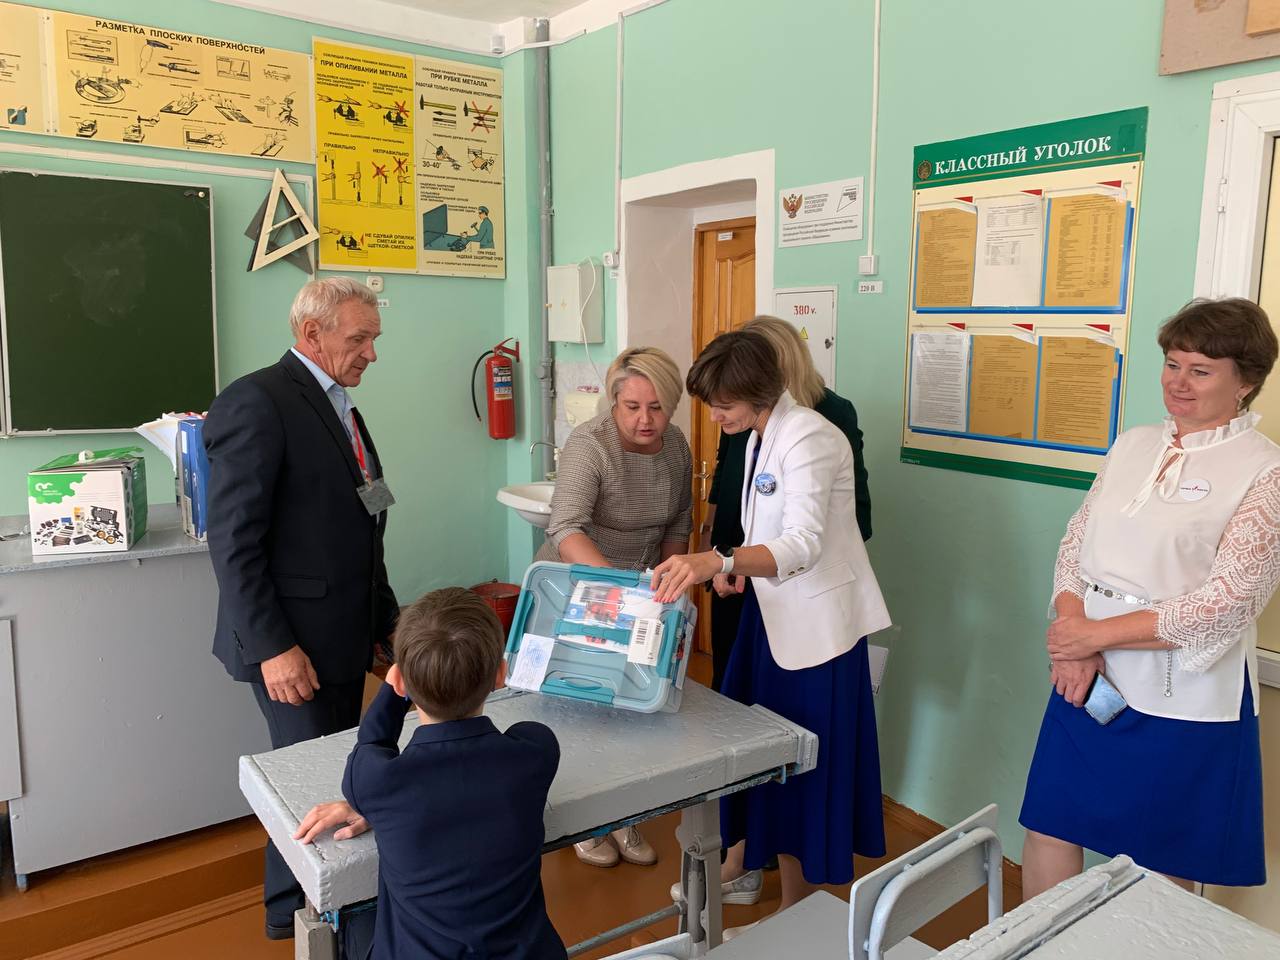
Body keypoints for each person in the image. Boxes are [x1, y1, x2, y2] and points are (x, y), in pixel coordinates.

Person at [1020, 297, 1280, 898]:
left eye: (1201, 370)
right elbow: (1075, 543)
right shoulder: (1133, 443)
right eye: (1172, 364)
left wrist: (1092, 637)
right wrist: (1074, 640)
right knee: (1050, 822)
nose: (1178, 383)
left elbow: (1229, 601)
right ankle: (1036, 941)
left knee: (1162, 854)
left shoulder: (1264, 470)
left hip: (1182, 692)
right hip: (1087, 677)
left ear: (1246, 382)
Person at [651, 330, 891, 938]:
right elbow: (771, 529)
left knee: (808, 774)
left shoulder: (810, 436)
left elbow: (804, 543)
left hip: (818, 635)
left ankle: (805, 915)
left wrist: (721, 560)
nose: (715, 417)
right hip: (774, 620)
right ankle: (786, 900)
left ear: (759, 391)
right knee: (776, 766)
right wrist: (740, 571)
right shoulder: (761, 433)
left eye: (723, 405)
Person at [204, 277, 399, 940]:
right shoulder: (257, 401)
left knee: (324, 776)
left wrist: (385, 621)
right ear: (312, 334)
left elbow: (366, 519)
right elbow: (234, 542)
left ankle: (301, 909)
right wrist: (272, 648)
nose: (372, 353)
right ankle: (305, 922)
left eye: (374, 338)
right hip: (292, 645)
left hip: (343, 633)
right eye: (360, 338)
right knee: (309, 780)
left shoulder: (340, 405)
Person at [294, 588, 565, 960]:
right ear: (500, 675)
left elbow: (372, 743)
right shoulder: (534, 754)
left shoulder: (376, 782)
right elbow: (528, 731)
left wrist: (397, 689)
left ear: (399, 682)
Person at [536, 346, 693, 867]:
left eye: (657, 408)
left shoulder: (676, 446)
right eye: (632, 407)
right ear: (614, 401)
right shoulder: (591, 445)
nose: (645, 420)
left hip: (643, 593)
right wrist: (616, 591)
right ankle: (581, 819)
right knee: (580, 706)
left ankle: (624, 816)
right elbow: (565, 526)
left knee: (630, 707)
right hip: (580, 586)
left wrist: (670, 590)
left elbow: (678, 523)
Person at [704, 315, 872, 694]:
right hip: (745, 572)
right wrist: (727, 556)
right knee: (738, 691)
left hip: (802, 590)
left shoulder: (815, 428)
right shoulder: (749, 425)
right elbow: (734, 487)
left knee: (796, 709)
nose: (716, 416)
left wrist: (724, 560)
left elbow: (832, 527)